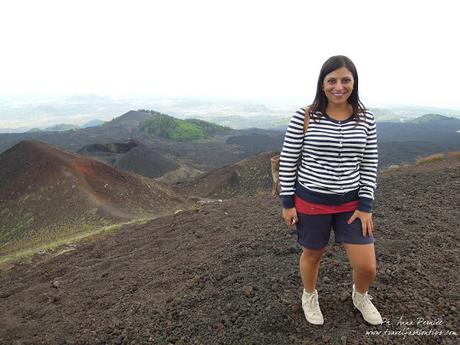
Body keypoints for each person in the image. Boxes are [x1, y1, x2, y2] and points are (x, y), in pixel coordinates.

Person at [279, 55, 383, 326]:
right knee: (312, 254)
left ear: (354, 82)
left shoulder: (366, 119)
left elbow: (370, 163)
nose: (339, 86)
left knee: (367, 265)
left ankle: (360, 296)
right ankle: (309, 295)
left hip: (352, 204)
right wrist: (287, 203)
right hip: (311, 201)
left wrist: (366, 205)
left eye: (345, 80)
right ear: (322, 84)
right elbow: (289, 160)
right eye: (332, 80)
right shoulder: (305, 116)